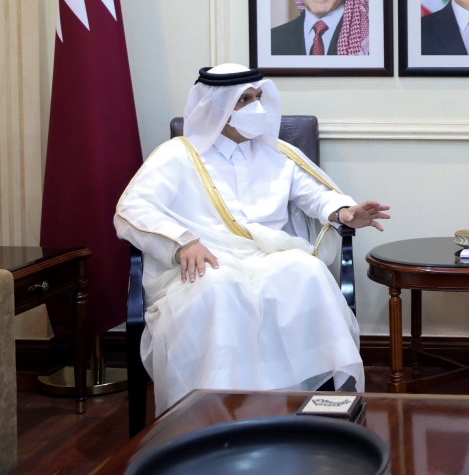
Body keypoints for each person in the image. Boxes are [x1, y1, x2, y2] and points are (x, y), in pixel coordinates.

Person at [115, 63, 390, 414]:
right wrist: (181, 241)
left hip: (267, 258)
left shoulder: (276, 153)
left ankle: (324, 408)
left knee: (307, 271)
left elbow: (316, 195)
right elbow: (132, 209)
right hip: (208, 261)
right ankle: (215, 411)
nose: (256, 107)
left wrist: (344, 212)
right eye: (244, 100)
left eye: (258, 97)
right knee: (220, 287)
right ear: (218, 107)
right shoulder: (178, 155)